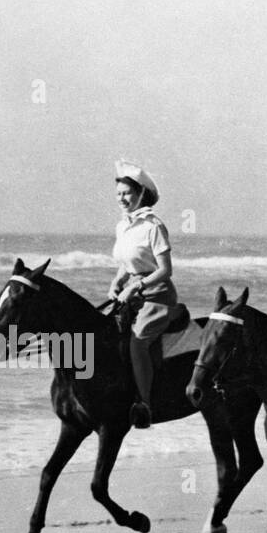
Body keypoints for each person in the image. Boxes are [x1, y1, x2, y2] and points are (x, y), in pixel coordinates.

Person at [108, 160, 176, 429]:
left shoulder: (153, 226)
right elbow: (126, 263)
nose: (122, 199)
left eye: (127, 193)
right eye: (118, 194)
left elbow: (165, 270)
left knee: (137, 343)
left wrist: (134, 286)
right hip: (130, 294)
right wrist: (117, 282)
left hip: (157, 297)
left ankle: (144, 404)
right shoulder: (122, 226)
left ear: (141, 195)